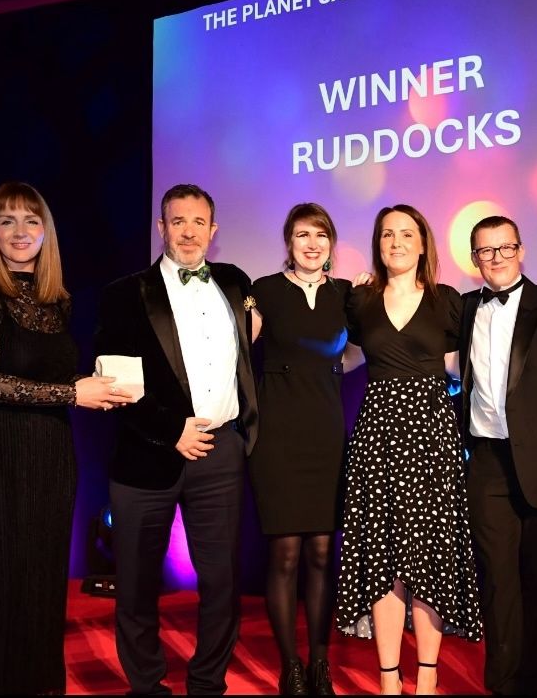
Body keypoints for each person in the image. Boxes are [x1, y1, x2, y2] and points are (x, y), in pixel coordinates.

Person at [0, 181, 131, 694]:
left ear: (46, 232)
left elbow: (51, 377)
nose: (20, 231)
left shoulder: (57, 301)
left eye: (31, 221)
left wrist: (96, 388)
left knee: (44, 582)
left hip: (50, 455)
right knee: (0, 586)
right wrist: (72, 393)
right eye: (7, 221)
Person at [93, 183, 260, 695]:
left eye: (198, 222)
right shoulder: (125, 293)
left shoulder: (234, 281)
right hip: (147, 453)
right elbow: (114, 385)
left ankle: (208, 683)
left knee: (222, 581)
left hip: (221, 452)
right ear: (161, 227)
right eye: (178, 221)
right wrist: (173, 431)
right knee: (137, 583)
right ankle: (146, 685)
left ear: (213, 230)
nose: (189, 232)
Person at [335, 203, 482, 695]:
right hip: (377, 436)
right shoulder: (360, 300)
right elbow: (345, 358)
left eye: (405, 234)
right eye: (386, 235)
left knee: (429, 555)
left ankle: (427, 676)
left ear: (423, 244)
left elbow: (461, 367)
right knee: (383, 558)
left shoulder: (448, 300)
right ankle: (388, 678)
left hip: (432, 437)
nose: (396, 242)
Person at [458, 215, 537, 695]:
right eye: (486, 251)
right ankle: (502, 683)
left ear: (521, 250)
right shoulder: (466, 308)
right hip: (486, 460)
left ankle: (528, 682)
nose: (496, 258)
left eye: (505, 248)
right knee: (496, 579)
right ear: (475, 259)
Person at [247, 202, 363, 696]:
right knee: (286, 555)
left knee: (321, 552)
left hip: (326, 433)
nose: (312, 244)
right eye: (302, 235)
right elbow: (237, 350)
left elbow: (360, 350)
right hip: (277, 435)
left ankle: (319, 663)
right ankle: (290, 666)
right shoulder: (264, 290)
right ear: (288, 243)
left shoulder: (347, 294)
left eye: (320, 235)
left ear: (331, 242)